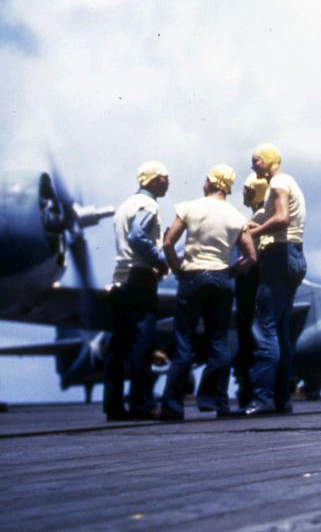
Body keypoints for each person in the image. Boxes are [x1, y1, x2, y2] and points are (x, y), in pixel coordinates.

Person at [159, 165, 257, 420]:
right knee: (219, 341)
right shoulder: (236, 216)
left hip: (192, 277)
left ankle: (172, 407)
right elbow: (251, 256)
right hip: (221, 279)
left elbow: (168, 241)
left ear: (212, 183)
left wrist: (176, 269)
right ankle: (219, 403)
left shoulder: (190, 207)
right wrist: (230, 273)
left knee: (184, 342)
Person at [244, 143, 307, 415]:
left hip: (278, 255)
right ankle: (283, 398)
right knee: (280, 330)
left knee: (266, 328)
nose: (253, 166)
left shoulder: (279, 181)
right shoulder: (289, 182)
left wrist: (256, 232)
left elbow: (282, 218)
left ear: (268, 161)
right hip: (293, 254)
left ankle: (262, 398)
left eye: (256, 161)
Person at [105, 161, 170, 421]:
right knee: (142, 343)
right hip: (140, 277)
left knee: (118, 345)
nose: (168, 182)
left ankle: (113, 405)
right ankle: (141, 404)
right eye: (165, 178)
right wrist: (160, 261)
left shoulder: (124, 206)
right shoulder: (148, 205)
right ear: (153, 181)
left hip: (119, 279)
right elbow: (137, 236)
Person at [231, 173, 269, 409]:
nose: (243, 193)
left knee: (252, 339)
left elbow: (250, 259)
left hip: (250, 292)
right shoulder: (264, 219)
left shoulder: (255, 222)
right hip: (258, 289)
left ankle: (250, 393)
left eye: (246, 189)